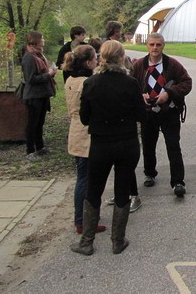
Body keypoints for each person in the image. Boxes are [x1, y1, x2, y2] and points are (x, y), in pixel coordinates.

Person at [71, 40, 146, 256]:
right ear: (122, 58)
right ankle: (117, 241)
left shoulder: (91, 83)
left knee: (94, 189)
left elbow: (84, 118)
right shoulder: (131, 83)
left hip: (101, 143)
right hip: (127, 142)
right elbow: (142, 115)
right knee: (122, 189)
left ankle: (87, 242)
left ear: (101, 57)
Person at [132, 33, 192, 197]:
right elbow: (130, 85)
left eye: (158, 45)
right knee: (148, 145)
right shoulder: (139, 65)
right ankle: (150, 173)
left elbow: (187, 82)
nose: (155, 48)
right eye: (151, 45)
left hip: (169, 111)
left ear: (163, 46)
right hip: (147, 112)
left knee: (173, 145)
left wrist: (169, 93)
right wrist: (140, 95)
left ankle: (178, 181)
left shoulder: (172, 64)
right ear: (147, 46)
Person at [62, 45, 106, 235]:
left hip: (75, 131)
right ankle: (83, 221)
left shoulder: (70, 80)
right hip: (86, 133)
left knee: (83, 176)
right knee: (87, 179)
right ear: (88, 62)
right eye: (95, 60)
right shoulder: (87, 83)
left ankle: (82, 217)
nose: (97, 62)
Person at [104, 20, 140, 212]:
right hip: (121, 132)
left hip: (115, 131)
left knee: (123, 166)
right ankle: (123, 195)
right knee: (122, 165)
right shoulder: (98, 83)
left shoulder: (95, 83)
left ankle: (129, 195)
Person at [21, 31, 57, 161]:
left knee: (40, 122)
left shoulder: (39, 54)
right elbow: (31, 79)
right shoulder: (29, 57)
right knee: (32, 123)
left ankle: (40, 147)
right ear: (35, 41)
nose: (44, 40)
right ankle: (30, 151)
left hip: (43, 94)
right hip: (34, 96)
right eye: (42, 38)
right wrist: (49, 75)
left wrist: (49, 72)